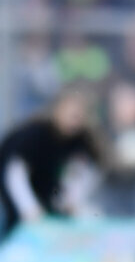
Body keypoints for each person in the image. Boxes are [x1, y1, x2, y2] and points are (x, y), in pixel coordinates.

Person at [0, 86, 102, 239]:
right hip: (18, 198)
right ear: (57, 109)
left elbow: (85, 170)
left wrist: (71, 199)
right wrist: (30, 209)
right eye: (71, 113)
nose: (74, 120)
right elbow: (15, 174)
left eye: (79, 115)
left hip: (48, 196)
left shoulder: (81, 139)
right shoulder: (36, 134)